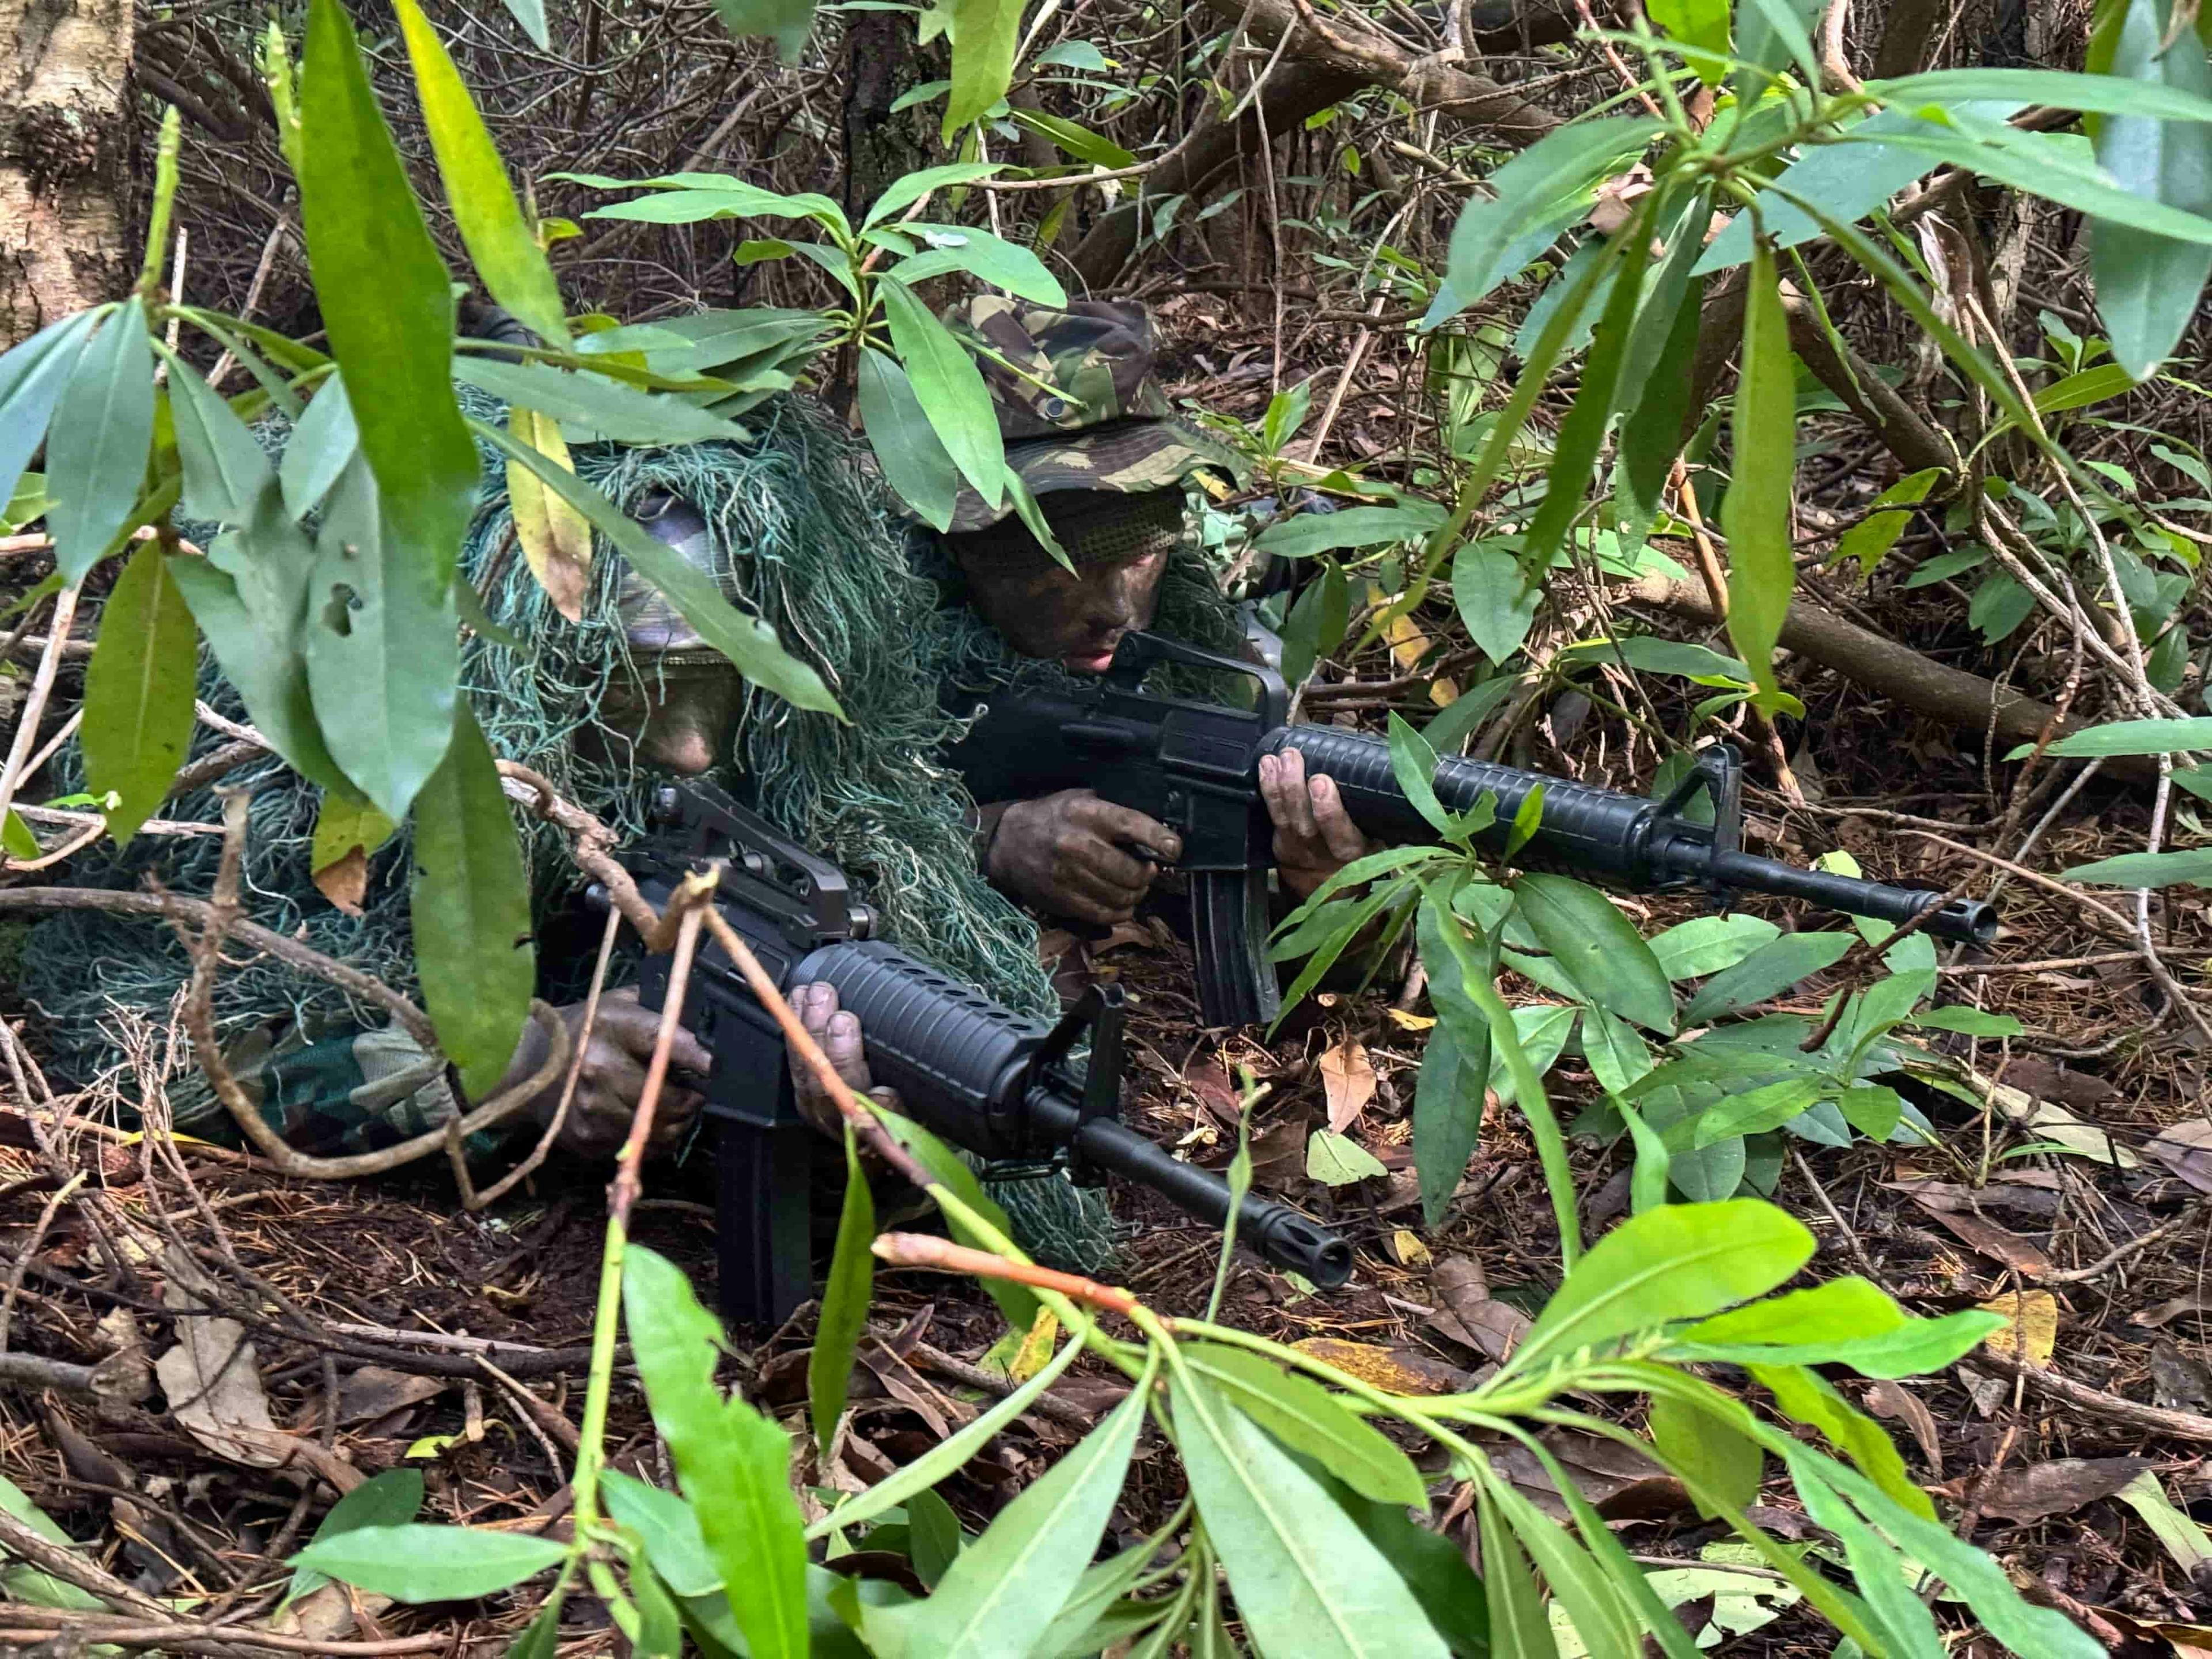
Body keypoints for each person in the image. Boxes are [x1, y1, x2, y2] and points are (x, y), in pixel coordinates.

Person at [785, 300, 1377, 1124]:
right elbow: (777, 841)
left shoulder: (1196, 612)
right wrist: (986, 834)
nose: (1117, 610)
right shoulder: (848, 620)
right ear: (953, 539)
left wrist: (1322, 893)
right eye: (1056, 558)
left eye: (1136, 552)